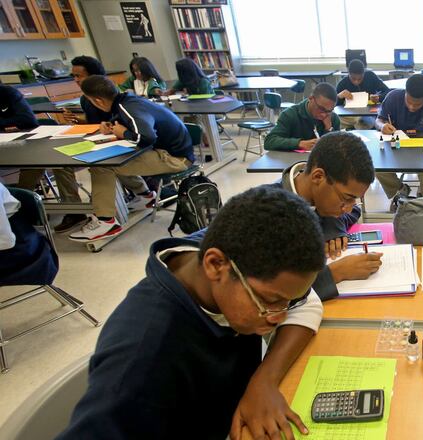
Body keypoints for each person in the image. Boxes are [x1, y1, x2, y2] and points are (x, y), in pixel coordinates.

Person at [57, 186, 327, 440]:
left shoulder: (226, 257)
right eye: (270, 301)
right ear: (215, 265)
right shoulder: (141, 362)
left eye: (287, 303)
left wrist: (263, 381)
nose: (278, 316)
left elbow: (307, 304)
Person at [17, 56, 142, 233]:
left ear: (94, 77)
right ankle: (74, 211)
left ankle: (141, 192)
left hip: (116, 139)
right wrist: (79, 120)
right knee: (61, 162)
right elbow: (94, 122)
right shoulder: (86, 99)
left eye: (79, 76)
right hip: (96, 138)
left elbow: (117, 123)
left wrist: (104, 128)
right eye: (73, 76)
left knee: (105, 163)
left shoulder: (112, 95)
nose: (76, 80)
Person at [68, 76, 193, 242]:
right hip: (170, 151)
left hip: (175, 158)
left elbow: (147, 137)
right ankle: (145, 196)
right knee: (114, 158)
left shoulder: (128, 107)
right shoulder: (127, 100)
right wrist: (111, 124)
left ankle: (106, 222)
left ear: (97, 100)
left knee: (102, 166)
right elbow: (131, 120)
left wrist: (123, 133)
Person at [270, 131, 383, 301]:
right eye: (346, 198)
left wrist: (333, 222)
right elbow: (272, 293)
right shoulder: (268, 214)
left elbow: (353, 211)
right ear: (318, 177)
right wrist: (337, 272)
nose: (348, 209)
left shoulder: (318, 195)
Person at [374, 73, 423, 203]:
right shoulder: (393, 97)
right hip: (396, 145)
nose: (412, 107)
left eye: (417, 105)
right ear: (405, 92)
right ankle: (399, 190)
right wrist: (382, 126)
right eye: (409, 102)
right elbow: (379, 120)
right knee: (378, 168)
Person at [263, 83, 340, 152]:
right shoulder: (290, 115)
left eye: (329, 110)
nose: (324, 115)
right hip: (291, 163)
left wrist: (328, 129)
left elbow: (335, 149)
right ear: (311, 98)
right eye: (321, 108)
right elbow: (269, 141)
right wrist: (299, 143)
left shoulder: (333, 118)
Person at [336, 59, 389, 130]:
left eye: (360, 79)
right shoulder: (342, 83)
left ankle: (359, 125)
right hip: (351, 115)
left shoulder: (370, 76)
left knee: (371, 120)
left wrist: (379, 97)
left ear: (364, 73)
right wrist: (339, 96)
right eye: (353, 78)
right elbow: (336, 107)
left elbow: (387, 91)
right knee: (338, 121)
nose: (356, 82)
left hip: (369, 112)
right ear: (349, 73)